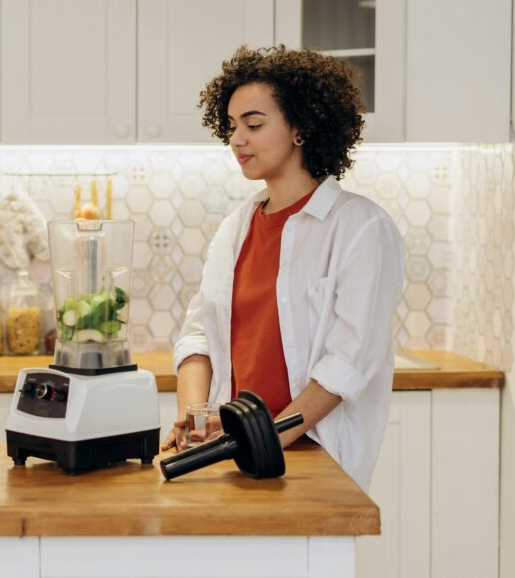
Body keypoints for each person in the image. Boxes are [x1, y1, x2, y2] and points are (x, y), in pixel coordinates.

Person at [163, 46, 406, 488]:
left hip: (314, 456)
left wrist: (265, 439)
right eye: (232, 126)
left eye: (254, 124)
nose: (237, 139)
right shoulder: (235, 228)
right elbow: (198, 334)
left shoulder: (361, 227)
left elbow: (348, 363)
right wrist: (194, 421)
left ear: (301, 128)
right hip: (227, 455)